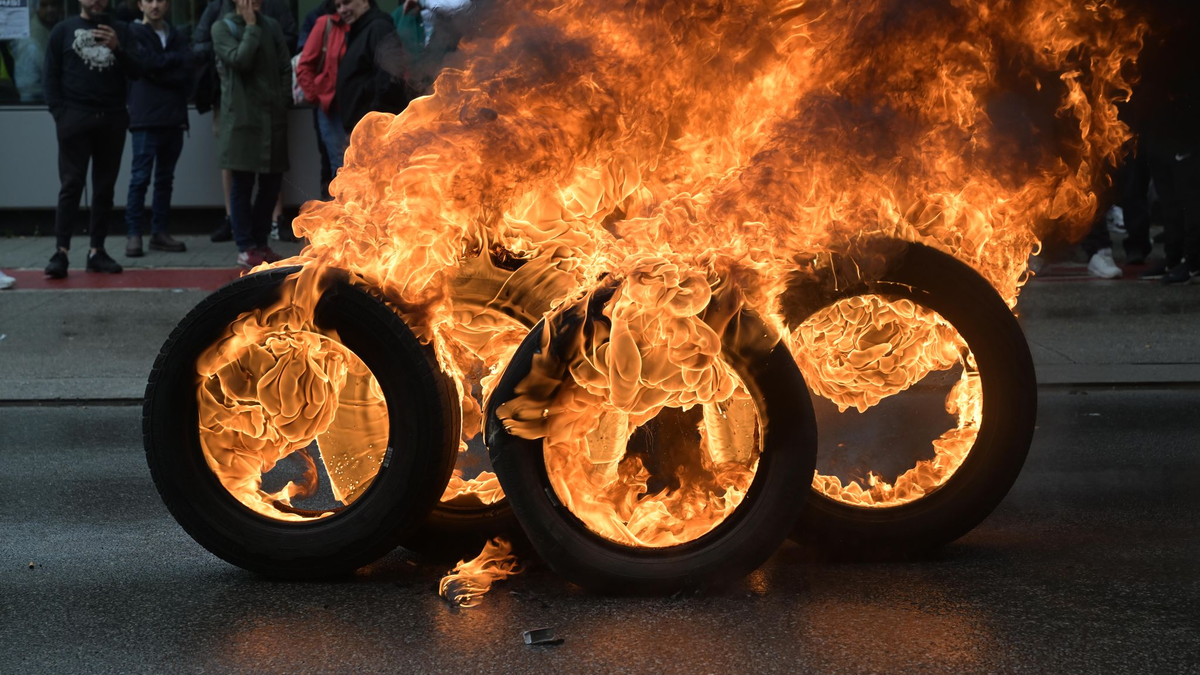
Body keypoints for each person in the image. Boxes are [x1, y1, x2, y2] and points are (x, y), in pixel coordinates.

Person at [42, 0, 142, 278]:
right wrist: (60, 115)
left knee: (104, 188)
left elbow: (138, 71)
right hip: (74, 118)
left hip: (112, 118)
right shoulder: (62, 30)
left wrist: (117, 48)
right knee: (71, 184)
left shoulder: (122, 30)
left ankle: (97, 251)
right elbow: (50, 76)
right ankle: (61, 252)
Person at [194, 0, 296, 243]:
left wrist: (282, 101)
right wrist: (251, 27)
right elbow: (241, 60)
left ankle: (260, 242)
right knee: (242, 182)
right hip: (241, 119)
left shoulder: (272, 25)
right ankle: (245, 245)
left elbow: (285, 67)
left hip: (271, 117)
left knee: (271, 183)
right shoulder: (221, 27)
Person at [124, 0, 191, 257]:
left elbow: (186, 70)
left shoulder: (177, 34)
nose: (155, 5)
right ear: (140, 4)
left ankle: (159, 233)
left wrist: (157, 67)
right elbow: (144, 64)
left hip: (173, 118)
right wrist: (170, 62)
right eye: (149, 0)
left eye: (160, 0)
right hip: (145, 118)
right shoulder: (132, 33)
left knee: (165, 180)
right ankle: (134, 234)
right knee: (140, 179)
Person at [335, 0, 413, 136]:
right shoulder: (360, 31)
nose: (342, 10)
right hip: (361, 128)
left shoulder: (378, 28)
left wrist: (376, 122)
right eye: (338, 6)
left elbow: (390, 79)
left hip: (375, 130)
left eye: (346, 2)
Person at [296, 0, 349, 177]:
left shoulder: (369, 24)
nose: (344, 9)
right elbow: (304, 66)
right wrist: (319, 97)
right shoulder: (325, 23)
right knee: (340, 165)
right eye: (339, 5)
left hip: (358, 107)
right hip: (332, 109)